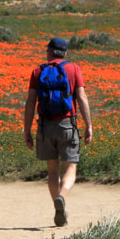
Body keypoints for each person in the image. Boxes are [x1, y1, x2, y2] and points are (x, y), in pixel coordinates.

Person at [24, 37, 93, 227]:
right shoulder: (74, 69)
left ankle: (58, 207)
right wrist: (88, 125)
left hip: (45, 126)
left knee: (53, 170)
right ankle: (62, 197)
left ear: (49, 52)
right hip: (67, 125)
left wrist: (26, 130)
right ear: (65, 53)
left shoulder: (38, 71)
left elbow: (30, 102)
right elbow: (81, 97)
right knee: (70, 168)